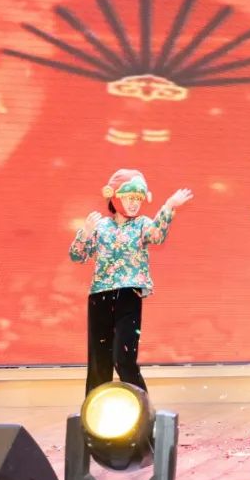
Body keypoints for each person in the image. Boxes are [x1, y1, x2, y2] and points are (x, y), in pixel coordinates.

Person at [69, 169, 193, 396]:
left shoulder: (142, 224)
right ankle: (95, 411)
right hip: (100, 296)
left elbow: (157, 236)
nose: (134, 203)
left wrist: (169, 205)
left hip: (129, 295)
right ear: (115, 197)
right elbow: (78, 256)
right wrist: (85, 232)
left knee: (123, 357)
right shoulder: (101, 226)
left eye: (138, 198)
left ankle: (142, 408)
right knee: (99, 360)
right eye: (129, 197)